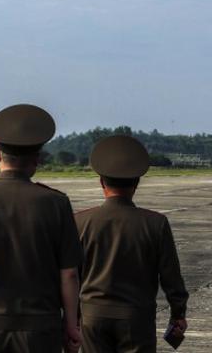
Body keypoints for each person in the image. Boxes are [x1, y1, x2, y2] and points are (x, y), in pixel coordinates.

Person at [0, 104, 82, 353]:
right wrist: (71, 324)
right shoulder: (56, 202)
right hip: (40, 332)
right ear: (37, 159)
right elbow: (69, 274)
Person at [75, 135, 189, 352]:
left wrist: (71, 317)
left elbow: (72, 275)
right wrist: (178, 313)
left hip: (92, 317)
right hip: (136, 318)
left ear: (101, 182)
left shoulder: (81, 222)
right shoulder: (156, 223)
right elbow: (171, 276)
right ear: (137, 183)